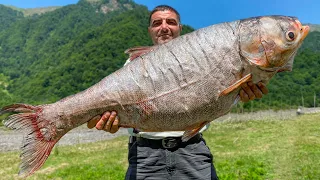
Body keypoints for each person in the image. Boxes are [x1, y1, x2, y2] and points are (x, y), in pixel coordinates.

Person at [88, 5, 268, 180]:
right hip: (145, 156)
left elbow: (221, 93)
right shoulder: (132, 65)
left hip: (193, 151)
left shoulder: (202, 57)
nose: (164, 27)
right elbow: (115, 110)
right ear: (150, 30)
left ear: (180, 28)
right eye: (157, 23)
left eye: (171, 22)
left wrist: (241, 92)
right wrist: (111, 122)